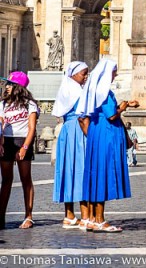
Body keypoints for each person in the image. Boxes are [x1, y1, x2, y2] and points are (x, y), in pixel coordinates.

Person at [78, 60, 136, 232]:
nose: (116, 74)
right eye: (114, 71)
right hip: (106, 133)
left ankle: (95, 219)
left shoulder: (94, 90)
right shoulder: (104, 91)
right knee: (102, 174)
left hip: (97, 131)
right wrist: (123, 106)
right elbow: (111, 115)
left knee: (96, 174)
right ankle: (100, 220)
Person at [0, 72, 39, 229]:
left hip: (23, 140)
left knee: (25, 179)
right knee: (6, 180)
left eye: (10, 84)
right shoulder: (3, 104)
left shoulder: (30, 104)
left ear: (18, 87)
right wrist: (0, 143)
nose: (7, 87)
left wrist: (24, 147)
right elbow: (0, 125)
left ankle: (28, 216)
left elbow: (32, 128)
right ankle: (0, 216)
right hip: (7, 142)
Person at [52, 61, 89, 228]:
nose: (86, 76)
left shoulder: (65, 88)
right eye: (84, 73)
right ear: (74, 74)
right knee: (82, 169)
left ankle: (69, 215)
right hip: (79, 129)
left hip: (67, 131)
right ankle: (86, 215)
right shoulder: (77, 90)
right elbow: (84, 114)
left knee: (68, 170)